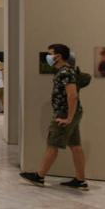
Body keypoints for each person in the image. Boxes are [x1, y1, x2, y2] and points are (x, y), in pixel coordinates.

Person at [20, 43, 88, 190]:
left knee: (52, 145)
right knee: (75, 146)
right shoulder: (66, 71)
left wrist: (68, 118)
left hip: (64, 114)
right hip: (71, 113)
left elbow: (72, 96)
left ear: (58, 56)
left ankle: (39, 176)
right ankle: (80, 180)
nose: (48, 57)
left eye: (50, 54)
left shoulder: (65, 72)